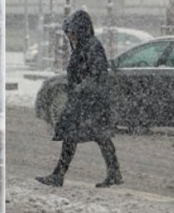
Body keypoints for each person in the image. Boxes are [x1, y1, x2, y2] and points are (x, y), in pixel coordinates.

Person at [36, 10, 122, 188]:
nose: (69, 36)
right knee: (85, 136)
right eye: (68, 32)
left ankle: (60, 175)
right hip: (85, 101)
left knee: (95, 136)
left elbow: (96, 74)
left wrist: (79, 87)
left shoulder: (92, 46)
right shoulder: (84, 46)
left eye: (72, 31)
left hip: (91, 102)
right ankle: (112, 173)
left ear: (80, 30)